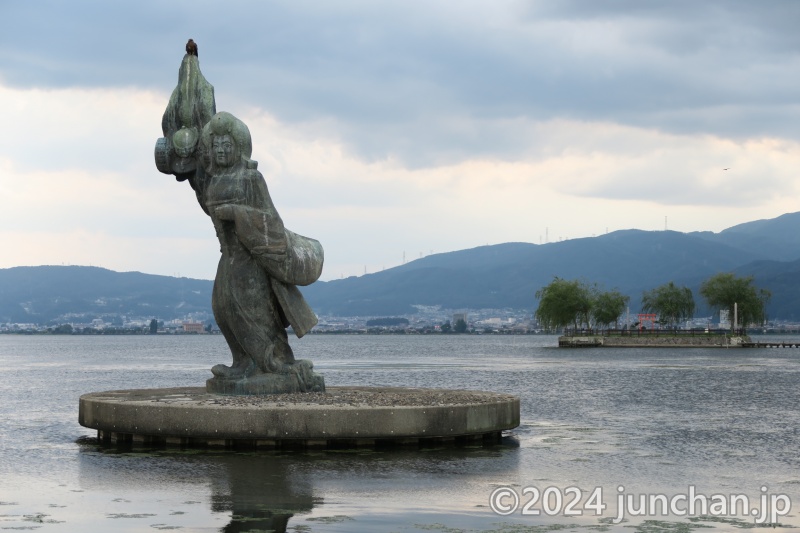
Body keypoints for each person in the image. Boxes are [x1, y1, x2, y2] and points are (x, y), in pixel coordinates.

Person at [200, 112, 323, 380]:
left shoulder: (251, 179)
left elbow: (271, 222)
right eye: (216, 145)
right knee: (223, 309)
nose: (221, 150)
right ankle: (242, 362)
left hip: (250, 259)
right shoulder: (213, 182)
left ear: (239, 146)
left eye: (227, 144)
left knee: (252, 313)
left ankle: (272, 363)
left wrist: (236, 212)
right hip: (228, 256)